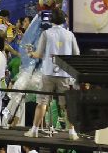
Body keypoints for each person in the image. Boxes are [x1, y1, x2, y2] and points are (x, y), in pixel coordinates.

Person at [28, 9, 80, 139]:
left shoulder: (46, 34)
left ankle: (34, 130)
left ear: (51, 20)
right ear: (64, 20)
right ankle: (72, 132)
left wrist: (30, 53)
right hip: (65, 73)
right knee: (67, 105)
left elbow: (39, 54)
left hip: (48, 73)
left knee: (42, 102)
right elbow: (76, 54)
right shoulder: (70, 35)